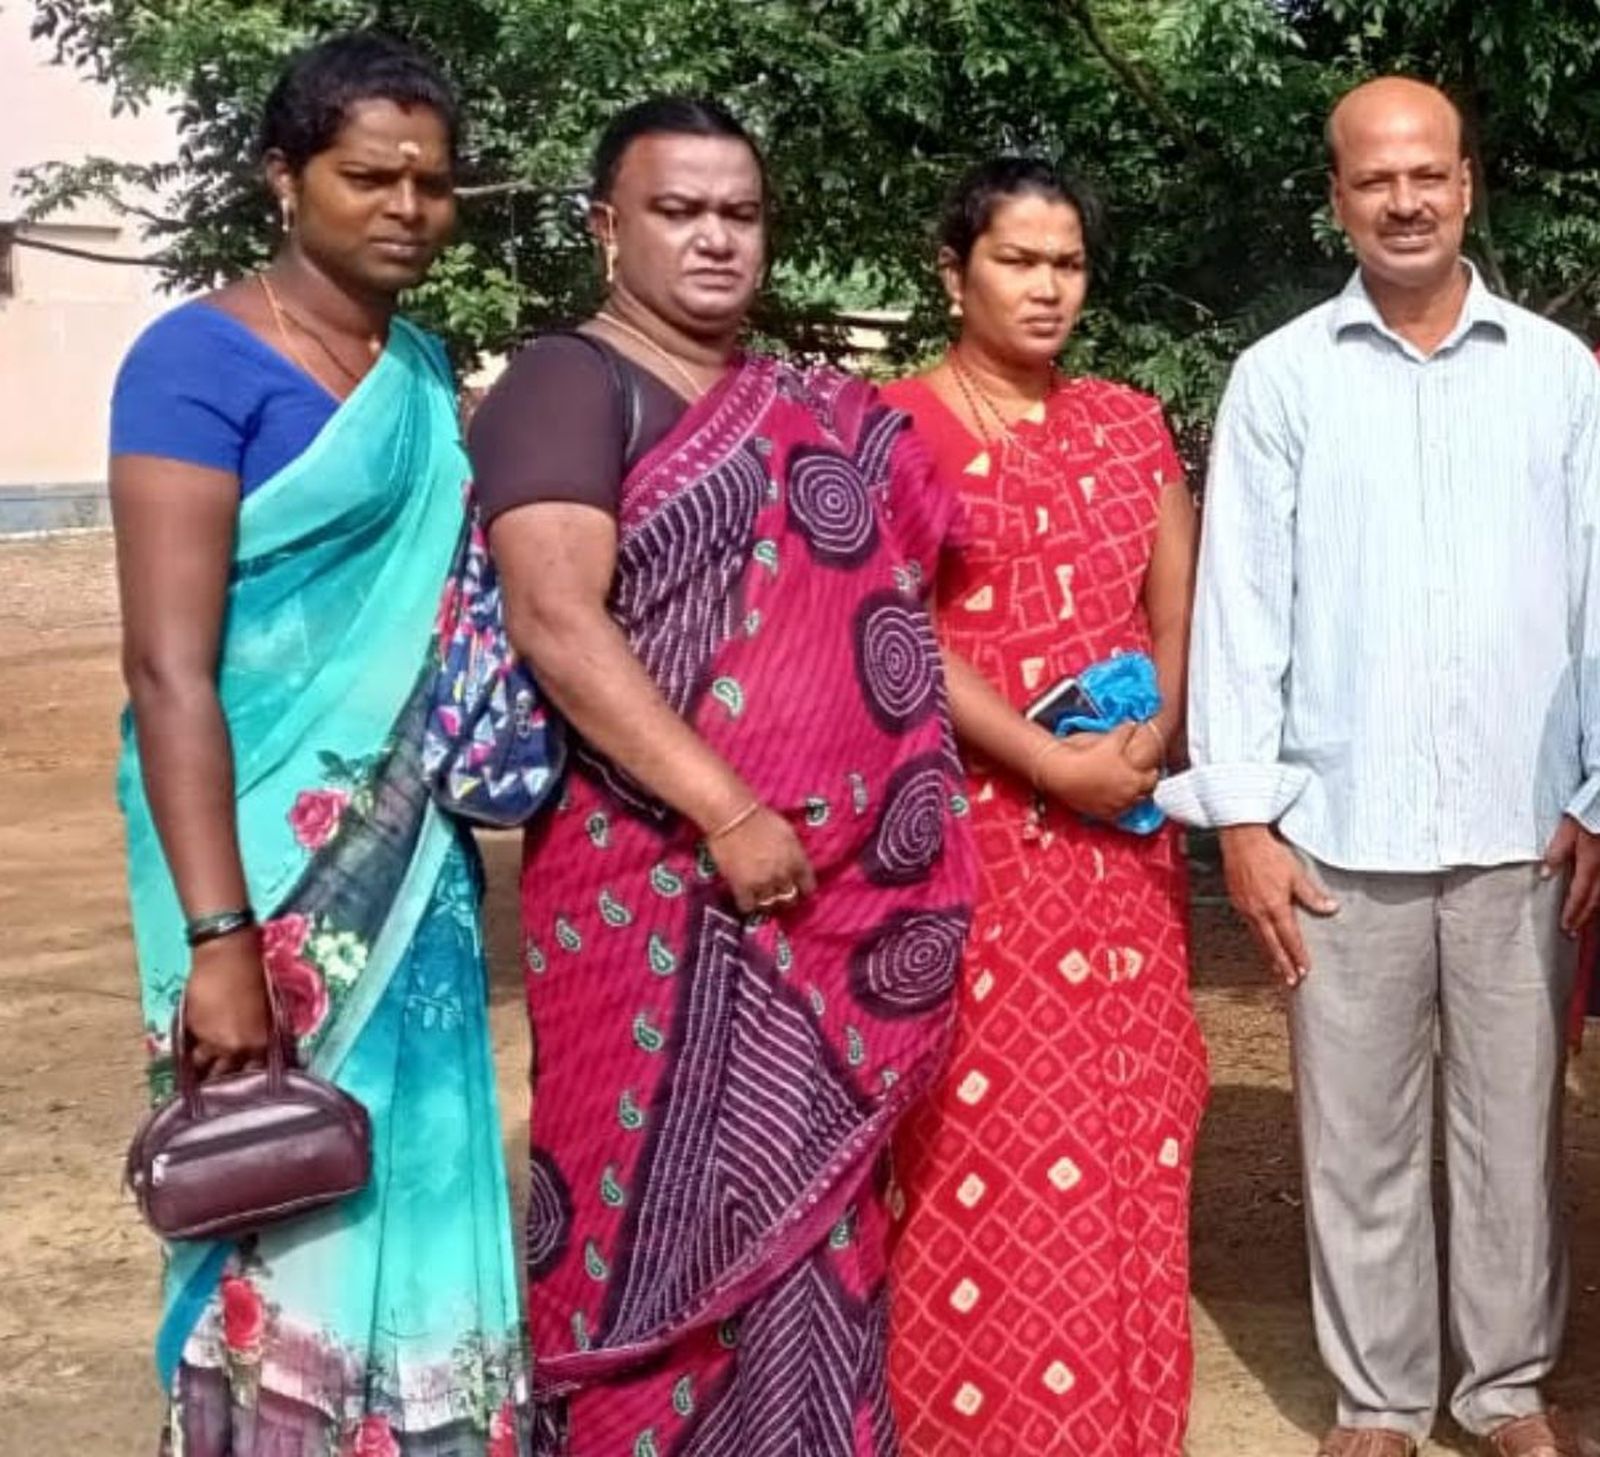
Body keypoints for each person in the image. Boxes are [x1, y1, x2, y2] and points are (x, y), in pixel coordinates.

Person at [468, 97, 976, 1454]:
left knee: (816, 1233)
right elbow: (559, 622)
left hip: (824, 912)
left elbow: (908, 591)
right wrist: (730, 807)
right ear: (606, 228)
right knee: (650, 1218)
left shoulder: (810, 404)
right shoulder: (567, 384)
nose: (713, 240)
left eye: (738, 214)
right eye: (677, 211)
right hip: (651, 903)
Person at [1158, 76, 1600, 1457]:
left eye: (1428, 175)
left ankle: (1508, 1383)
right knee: (1353, 1134)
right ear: (1337, 198)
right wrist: (1243, 813)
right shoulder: (1283, 379)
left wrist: (1599, 791)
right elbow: (1242, 606)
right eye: (1373, 180)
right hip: (1338, 828)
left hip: (1526, 827)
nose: (1403, 200)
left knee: (1517, 1127)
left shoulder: (1559, 374)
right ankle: (1380, 1397)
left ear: (1469, 186)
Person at [111, 34, 528, 1457]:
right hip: (252, 866)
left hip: (417, 866)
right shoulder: (192, 361)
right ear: (282, 178)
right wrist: (225, 933)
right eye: (367, 177)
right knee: (271, 1189)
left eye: (431, 180)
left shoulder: (420, 372)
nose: (406, 206)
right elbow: (169, 667)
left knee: (417, 1165)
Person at [881, 158, 1209, 1457]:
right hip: (976, 845)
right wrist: (1042, 758)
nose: (1046, 286)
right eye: (1018, 260)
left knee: (1134, 1141)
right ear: (954, 270)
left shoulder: (1131, 421)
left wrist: (1151, 731)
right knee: (985, 1154)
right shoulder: (895, 426)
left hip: (1122, 845)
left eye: (1066, 263)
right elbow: (890, 625)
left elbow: (1178, 605)